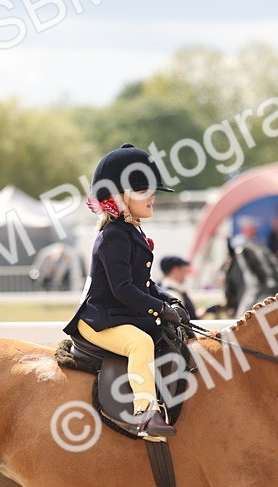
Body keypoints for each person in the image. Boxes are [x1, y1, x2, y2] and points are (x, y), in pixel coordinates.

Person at [63, 143, 186, 440]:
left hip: (120, 313)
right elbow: (123, 289)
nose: (152, 196)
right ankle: (144, 413)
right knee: (140, 344)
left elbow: (144, 283)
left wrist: (170, 300)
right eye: (144, 191)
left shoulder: (131, 231)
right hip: (99, 320)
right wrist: (158, 309)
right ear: (120, 198)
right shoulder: (113, 236)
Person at [158, 255, 197, 320]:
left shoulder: (163, 289)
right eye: (184, 270)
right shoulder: (172, 293)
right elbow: (181, 319)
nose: (186, 274)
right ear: (175, 270)